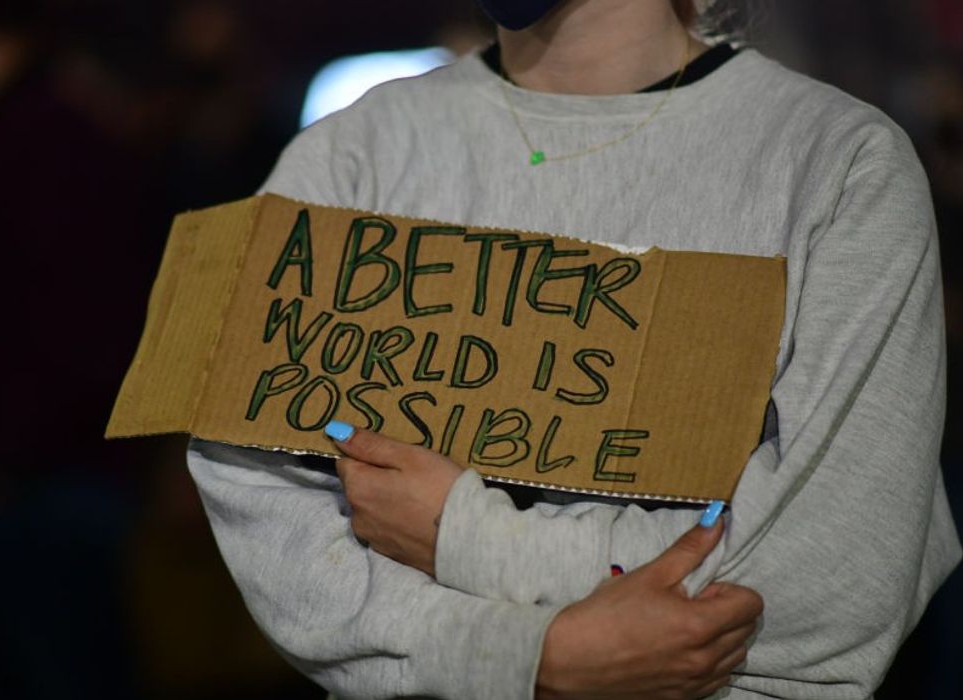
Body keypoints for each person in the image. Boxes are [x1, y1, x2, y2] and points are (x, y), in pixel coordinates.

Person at [186, 0, 962, 697]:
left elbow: (832, 574)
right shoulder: (347, 158)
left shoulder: (835, 165)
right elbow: (280, 540)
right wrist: (536, 655)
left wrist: (469, 539)